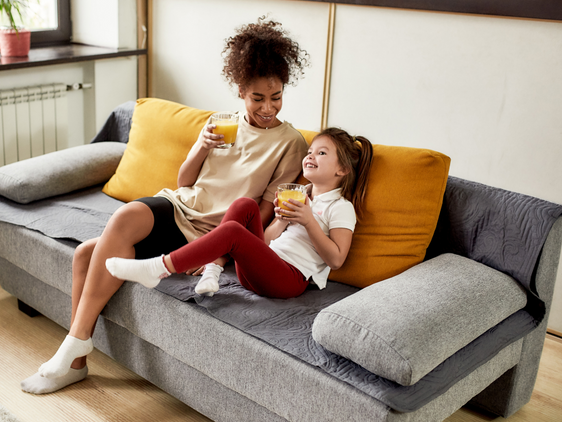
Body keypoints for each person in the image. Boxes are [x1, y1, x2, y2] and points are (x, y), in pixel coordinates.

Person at [20, 17, 310, 394]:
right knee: (113, 227)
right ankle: (75, 356)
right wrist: (203, 145)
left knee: (87, 256)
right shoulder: (219, 123)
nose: (268, 107)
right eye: (258, 98)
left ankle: (73, 354)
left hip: (210, 232)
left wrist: (218, 255)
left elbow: (261, 212)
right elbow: (184, 183)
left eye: (276, 97)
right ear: (240, 90)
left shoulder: (292, 144)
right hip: (179, 207)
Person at [106, 127, 374, 299]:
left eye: (322, 152)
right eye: (310, 151)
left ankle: (158, 268)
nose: (310, 156)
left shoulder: (341, 207)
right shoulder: (302, 195)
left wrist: (309, 221)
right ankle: (213, 268)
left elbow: (337, 259)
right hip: (262, 267)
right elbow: (267, 241)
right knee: (244, 204)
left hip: (287, 280)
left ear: (342, 170)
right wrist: (280, 221)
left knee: (234, 232)